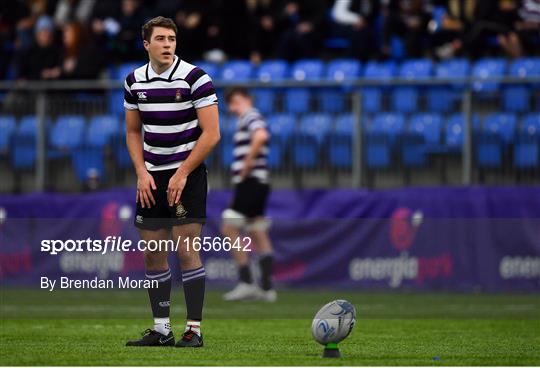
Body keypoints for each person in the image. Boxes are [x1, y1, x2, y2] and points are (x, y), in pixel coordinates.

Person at [123, 16, 220, 347]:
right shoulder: (134, 81)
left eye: (172, 39)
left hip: (187, 174)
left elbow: (212, 134)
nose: (167, 45)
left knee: (186, 248)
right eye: (161, 39)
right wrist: (141, 172)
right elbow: (133, 131)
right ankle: (162, 330)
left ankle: (194, 330)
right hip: (151, 175)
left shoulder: (196, 78)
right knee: (152, 252)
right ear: (146, 44)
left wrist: (182, 172)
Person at [221, 87, 276, 303]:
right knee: (257, 231)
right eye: (230, 104)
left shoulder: (250, 115)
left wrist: (246, 166)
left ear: (246, 99)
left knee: (229, 228)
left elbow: (261, 135)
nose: (233, 108)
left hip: (251, 182)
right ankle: (267, 288)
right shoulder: (249, 117)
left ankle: (246, 282)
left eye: (236, 102)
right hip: (258, 183)